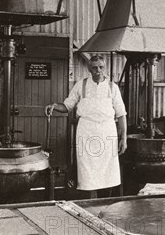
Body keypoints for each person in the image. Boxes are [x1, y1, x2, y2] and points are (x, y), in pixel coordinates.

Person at [45, 55, 127, 196]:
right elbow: (67, 106)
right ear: (89, 69)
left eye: (101, 67)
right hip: (86, 131)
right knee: (88, 171)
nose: (98, 71)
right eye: (94, 68)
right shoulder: (80, 85)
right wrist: (54, 106)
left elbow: (121, 114)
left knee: (107, 171)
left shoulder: (112, 88)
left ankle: (104, 202)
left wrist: (123, 138)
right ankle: (90, 204)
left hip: (107, 132)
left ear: (104, 68)